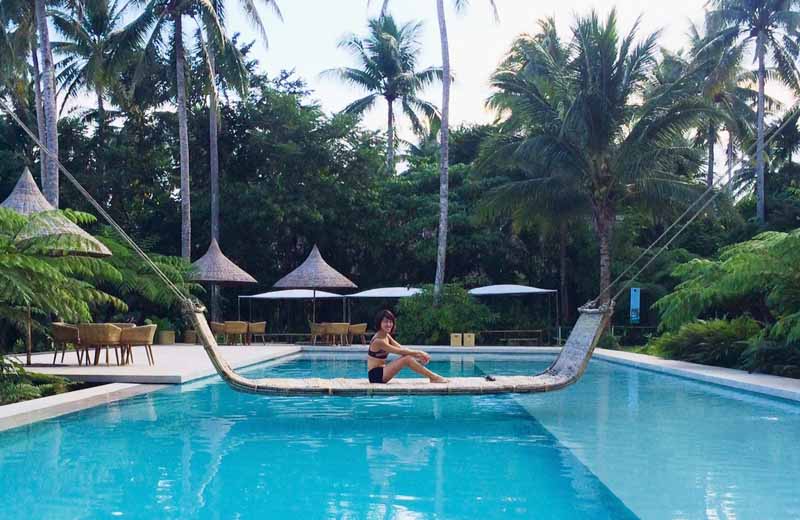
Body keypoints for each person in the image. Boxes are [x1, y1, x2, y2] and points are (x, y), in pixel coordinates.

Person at [367, 309, 448, 384]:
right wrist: (420, 353)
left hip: (383, 371)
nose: (388, 324)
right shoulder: (378, 341)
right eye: (385, 322)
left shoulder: (386, 336)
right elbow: (399, 352)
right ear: (379, 323)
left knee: (407, 358)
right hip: (376, 376)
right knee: (407, 359)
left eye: (390, 322)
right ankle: (433, 377)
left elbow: (401, 348)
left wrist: (419, 357)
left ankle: (433, 377)